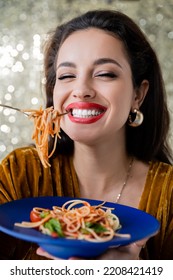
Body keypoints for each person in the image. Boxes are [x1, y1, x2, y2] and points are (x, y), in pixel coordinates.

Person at [0, 9, 173, 260]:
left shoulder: (168, 193)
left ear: (138, 94)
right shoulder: (19, 174)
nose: (81, 90)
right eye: (67, 76)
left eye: (104, 74)